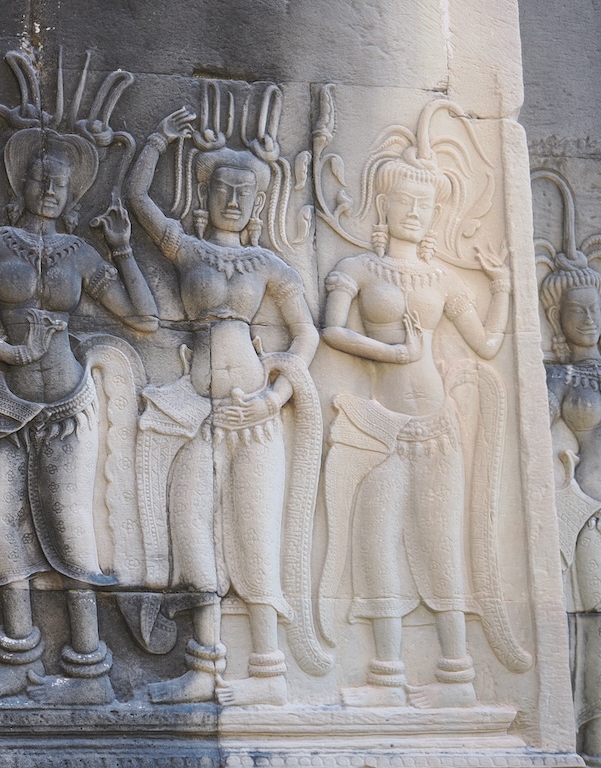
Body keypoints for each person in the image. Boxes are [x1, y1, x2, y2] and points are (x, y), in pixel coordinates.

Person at [0, 126, 159, 705]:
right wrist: (8, 351)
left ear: (72, 191)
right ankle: (20, 657)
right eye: (38, 177)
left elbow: (144, 319)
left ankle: (89, 670)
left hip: (67, 404)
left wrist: (123, 249)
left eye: (60, 181)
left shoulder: (79, 253)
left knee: (68, 526)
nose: (49, 188)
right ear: (20, 183)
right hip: (5, 402)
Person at [125, 105, 325, 706]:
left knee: (256, 537)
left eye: (244, 192)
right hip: (196, 415)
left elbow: (306, 334)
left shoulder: (267, 265)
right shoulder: (188, 251)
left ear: (257, 203)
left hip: (254, 418)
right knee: (191, 531)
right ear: (206, 196)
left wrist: (275, 398)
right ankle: (204, 667)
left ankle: (268, 673)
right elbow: (137, 200)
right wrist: (158, 139)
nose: (233, 200)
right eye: (223, 190)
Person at [320, 102, 514, 708]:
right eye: (405, 201)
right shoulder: (355, 268)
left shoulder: (443, 279)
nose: (414, 212)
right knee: (375, 542)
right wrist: (392, 352)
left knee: (439, 545)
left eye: (425, 205)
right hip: (379, 425)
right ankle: (387, 675)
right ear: (383, 204)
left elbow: (487, 344)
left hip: (436, 428)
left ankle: (456, 676)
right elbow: (330, 330)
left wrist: (503, 287)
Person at [537, 168, 601, 757]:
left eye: (595, 309)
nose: (587, 320)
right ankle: (584, 727)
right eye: (576, 310)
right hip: (578, 513)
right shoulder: (555, 376)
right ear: (557, 316)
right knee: (582, 617)